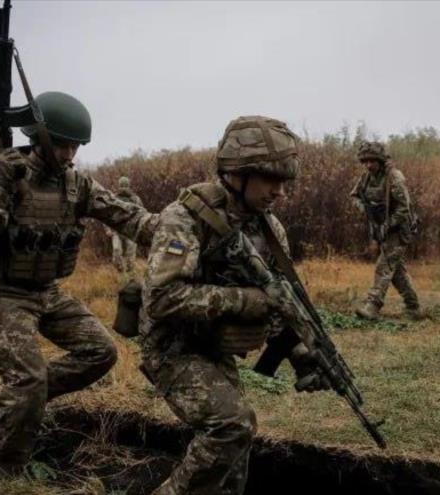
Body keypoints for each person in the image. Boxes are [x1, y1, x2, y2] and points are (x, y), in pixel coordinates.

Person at [0, 91, 157, 476]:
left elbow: (128, 216)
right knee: (29, 380)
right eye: (64, 145)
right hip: (2, 292)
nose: (70, 155)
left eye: (75, 146)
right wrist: (3, 185)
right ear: (39, 137)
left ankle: (9, 400)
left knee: (100, 351)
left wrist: (179, 232)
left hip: (46, 292)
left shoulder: (76, 184)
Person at [140, 116, 326, 495]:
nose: (279, 192)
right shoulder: (185, 218)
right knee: (230, 425)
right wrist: (245, 301)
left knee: (236, 456)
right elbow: (161, 299)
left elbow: (275, 304)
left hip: (214, 348)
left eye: (283, 182)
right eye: (270, 179)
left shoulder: (270, 231)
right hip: (172, 348)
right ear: (236, 173)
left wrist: (296, 350)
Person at [350, 140, 422, 320]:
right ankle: (413, 307)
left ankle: (372, 306)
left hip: (398, 230)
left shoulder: (394, 177)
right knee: (396, 271)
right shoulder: (366, 178)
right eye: (365, 161)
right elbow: (354, 196)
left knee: (384, 267)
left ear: (381, 160)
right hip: (380, 229)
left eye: (372, 161)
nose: (368, 165)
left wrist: (388, 224)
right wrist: (366, 209)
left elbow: (404, 208)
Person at [110, 176, 144, 272]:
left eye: (125, 185)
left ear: (129, 186)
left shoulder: (135, 199)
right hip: (116, 229)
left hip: (131, 230)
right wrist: (108, 229)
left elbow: (142, 213)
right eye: (122, 185)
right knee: (116, 250)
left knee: (130, 253)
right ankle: (120, 270)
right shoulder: (113, 198)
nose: (123, 187)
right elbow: (106, 213)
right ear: (119, 185)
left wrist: (139, 227)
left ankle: (130, 272)